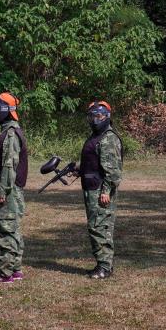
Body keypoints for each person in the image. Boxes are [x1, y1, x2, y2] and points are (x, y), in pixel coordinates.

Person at [0, 92, 28, 283]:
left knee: (6, 230)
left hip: (8, 190)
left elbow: (9, 166)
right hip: (12, 189)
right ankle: (15, 269)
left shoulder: (10, 134)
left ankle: (5, 273)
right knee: (12, 229)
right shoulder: (10, 131)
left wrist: (2, 190)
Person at [79, 101, 122, 279]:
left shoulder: (108, 138)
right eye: (92, 116)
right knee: (94, 227)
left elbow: (113, 171)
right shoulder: (96, 136)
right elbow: (94, 162)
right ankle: (101, 264)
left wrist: (106, 191)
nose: (95, 120)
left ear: (107, 116)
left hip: (100, 191)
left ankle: (105, 266)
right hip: (92, 188)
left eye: (99, 116)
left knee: (101, 227)